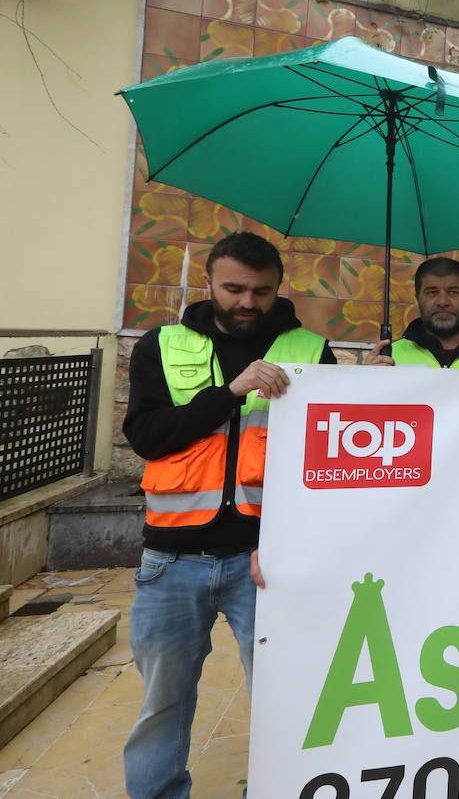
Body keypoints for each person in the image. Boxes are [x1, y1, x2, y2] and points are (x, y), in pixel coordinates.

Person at [122, 232, 335, 799]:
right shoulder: (160, 345)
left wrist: (378, 386)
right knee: (162, 705)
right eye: (234, 288)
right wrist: (229, 393)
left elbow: (330, 464)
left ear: (277, 288)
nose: (247, 302)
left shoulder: (311, 350)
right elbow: (146, 437)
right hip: (169, 561)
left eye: (261, 292)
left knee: (286, 700)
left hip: (265, 563)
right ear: (210, 283)